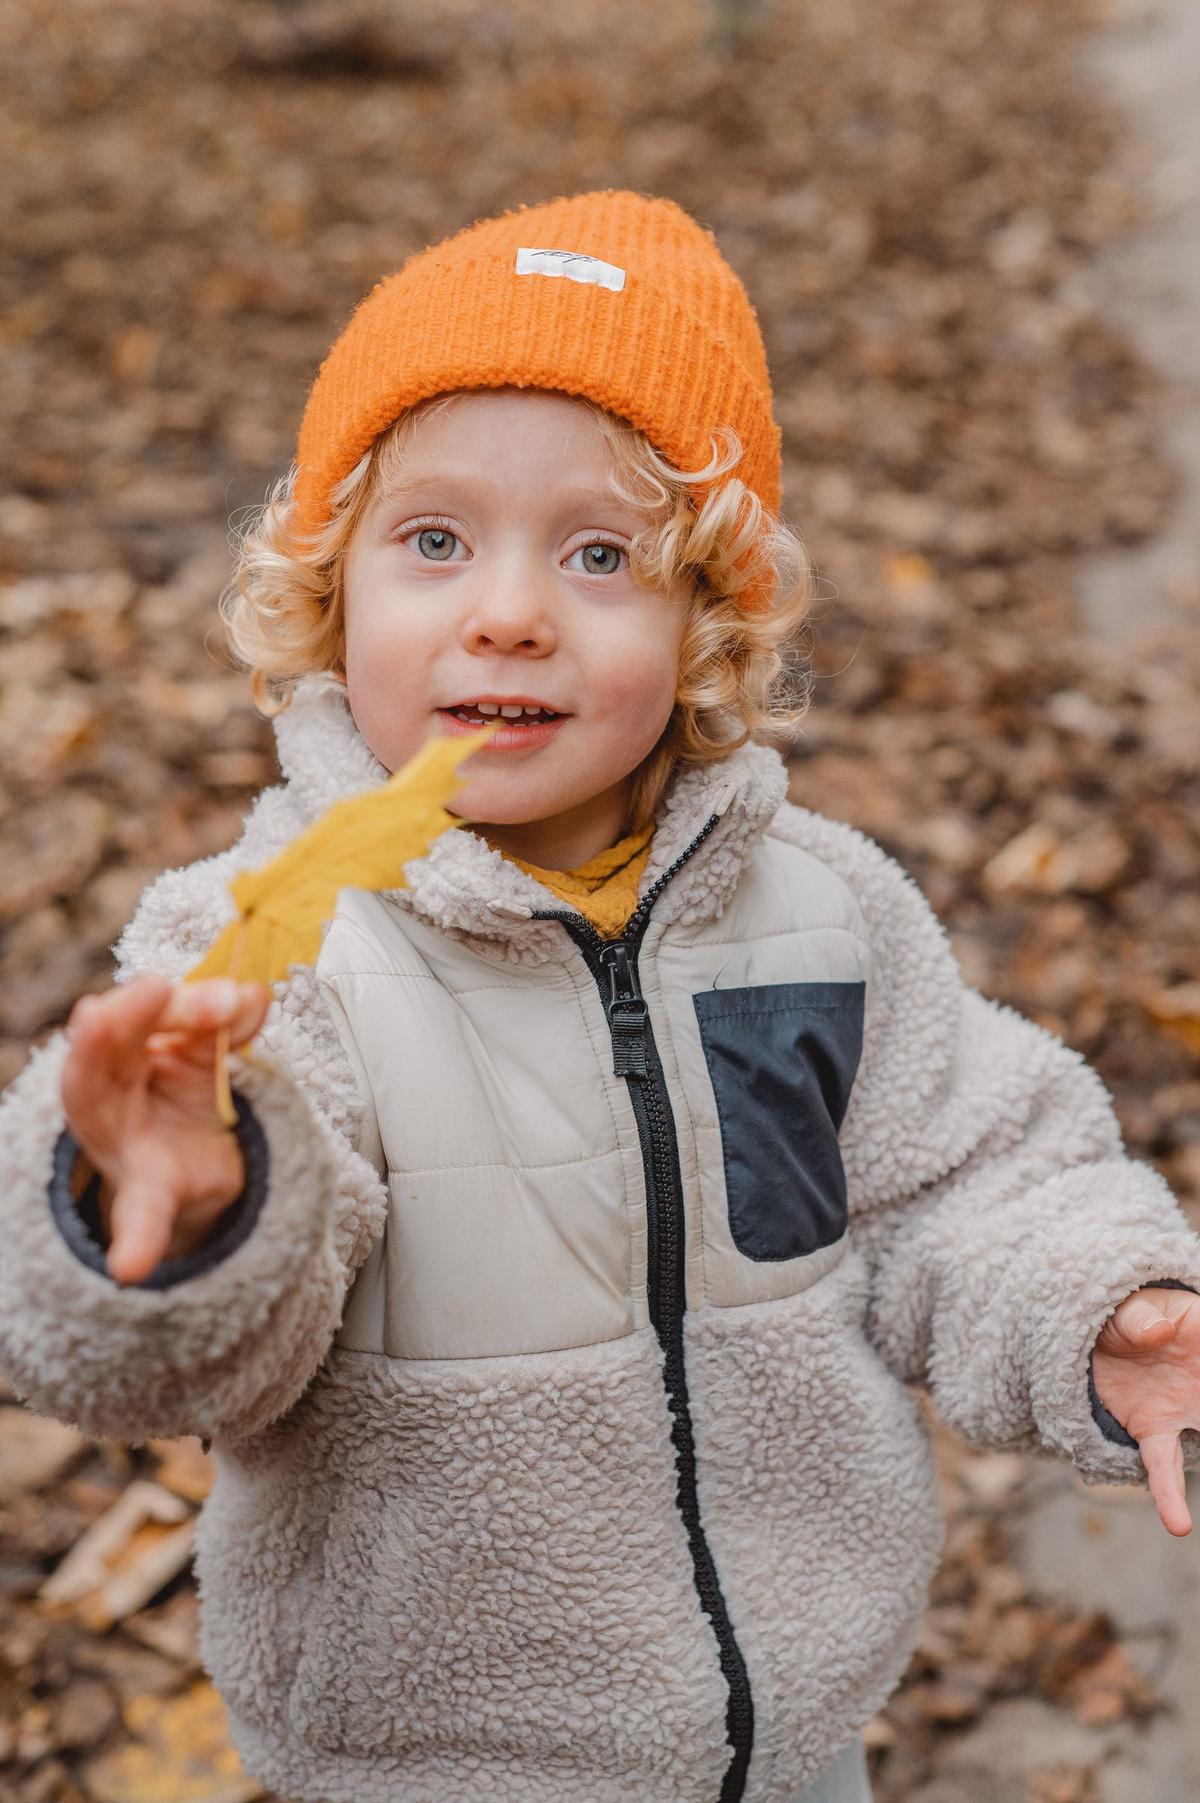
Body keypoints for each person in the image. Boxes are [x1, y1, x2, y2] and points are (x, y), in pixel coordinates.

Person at [2, 189, 1199, 1803]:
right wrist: (189, 1208)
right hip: (424, 1765)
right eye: (434, 540)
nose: (510, 608)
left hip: (788, 1747)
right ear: (329, 583)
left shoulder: (817, 917)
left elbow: (961, 1181)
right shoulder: (261, 959)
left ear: (707, 620)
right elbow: (152, 1364)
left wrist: (1101, 1304)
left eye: (599, 553)